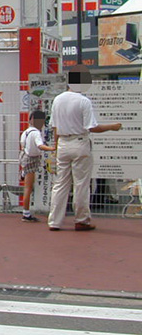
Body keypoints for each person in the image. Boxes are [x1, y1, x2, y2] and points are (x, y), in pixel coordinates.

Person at [47, 65, 122, 232]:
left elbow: (54, 127)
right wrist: (112, 126)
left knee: (60, 184)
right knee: (81, 184)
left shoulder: (57, 100)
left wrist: (56, 146)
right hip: (80, 143)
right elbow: (91, 127)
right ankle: (81, 220)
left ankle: (54, 221)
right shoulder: (83, 101)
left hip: (63, 144)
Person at [19, 110, 55, 222]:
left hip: (25, 157)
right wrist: (52, 148)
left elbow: (22, 146)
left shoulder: (26, 132)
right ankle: (26, 213)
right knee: (28, 188)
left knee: (28, 187)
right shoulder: (36, 133)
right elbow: (40, 146)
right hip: (31, 160)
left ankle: (26, 212)